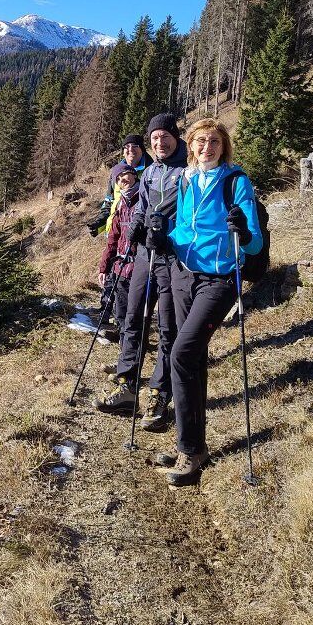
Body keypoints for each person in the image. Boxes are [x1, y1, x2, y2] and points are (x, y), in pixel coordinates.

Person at [155, 117, 262, 487]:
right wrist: (161, 238)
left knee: (182, 354)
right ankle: (193, 444)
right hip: (185, 273)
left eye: (214, 141)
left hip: (219, 278)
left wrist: (244, 231)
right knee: (193, 358)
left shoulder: (236, 181)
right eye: (200, 141)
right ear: (191, 145)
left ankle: (189, 448)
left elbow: (254, 244)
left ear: (224, 145)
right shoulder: (186, 180)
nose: (206, 147)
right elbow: (182, 229)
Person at [100, 113, 188, 423]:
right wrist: (137, 226)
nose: (160, 142)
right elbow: (144, 208)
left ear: (175, 138)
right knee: (134, 317)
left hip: (173, 258)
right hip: (143, 255)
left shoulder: (188, 171)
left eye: (165, 137)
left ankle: (159, 391)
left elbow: (191, 215)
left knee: (167, 326)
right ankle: (127, 385)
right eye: (154, 139)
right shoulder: (149, 173)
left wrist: (166, 230)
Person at [91, 163, 139, 410]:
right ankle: (125, 364)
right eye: (119, 178)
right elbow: (112, 239)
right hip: (120, 269)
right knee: (121, 319)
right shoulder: (120, 204)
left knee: (133, 322)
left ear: (135, 176)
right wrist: (103, 267)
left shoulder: (144, 199)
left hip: (140, 270)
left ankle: (130, 376)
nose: (123, 180)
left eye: (127, 175)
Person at [85, 135, 148, 238]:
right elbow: (109, 203)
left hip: (140, 236)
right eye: (126, 147)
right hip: (116, 235)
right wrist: (99, 224)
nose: (130, 149)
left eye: (135, 146)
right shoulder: (115, 174)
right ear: (123, 152)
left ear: (142, 149)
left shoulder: (151, 172)